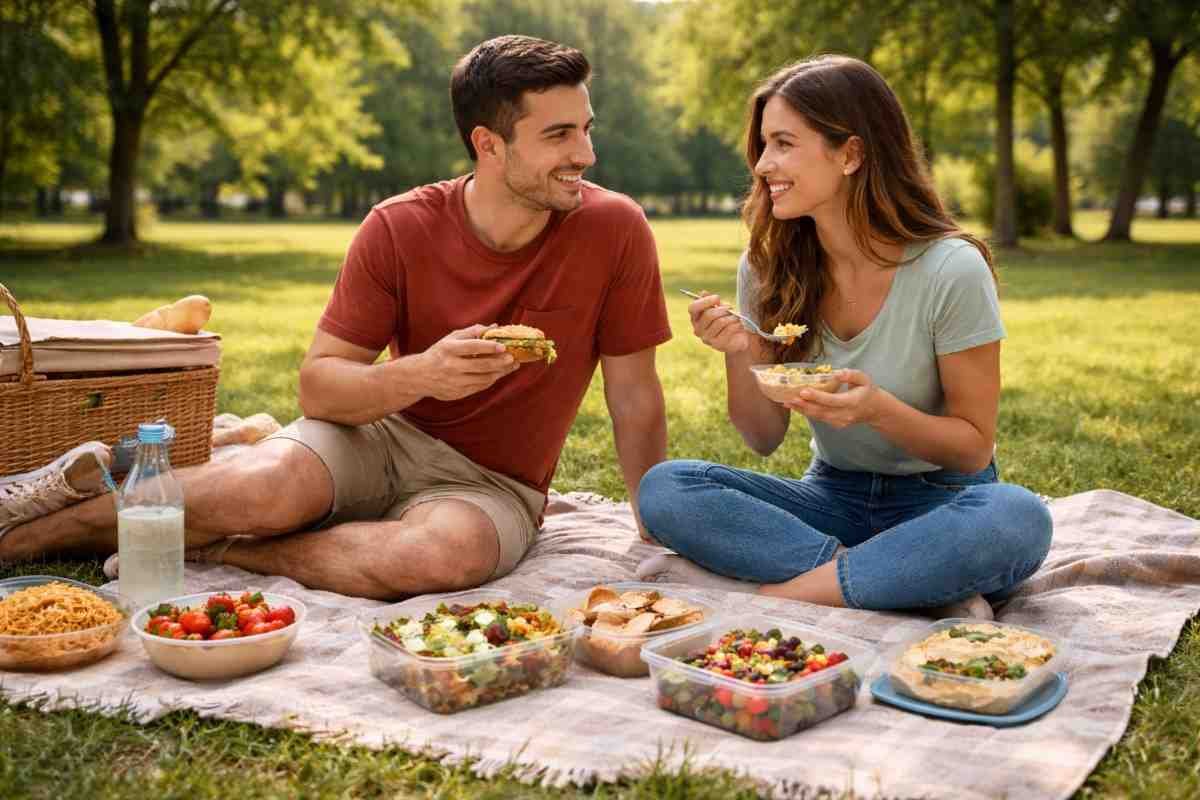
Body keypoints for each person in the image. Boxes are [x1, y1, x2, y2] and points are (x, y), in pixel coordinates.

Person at [0, 35, 671, 600]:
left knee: (441, 559)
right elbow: (320, 386)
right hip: (375, 437)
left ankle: (228, 556)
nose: (585, 155)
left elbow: (634, 393)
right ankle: (34, 536)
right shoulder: (399, 226)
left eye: (586, 129)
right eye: (558, 135)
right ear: (488, 145)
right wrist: (424, 375)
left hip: (493, 485)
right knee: (263, 486)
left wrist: (649, 522)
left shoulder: (614, 229)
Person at [635, 55, 1051, 619]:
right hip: (832, 497)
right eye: (763, 145)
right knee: (666, 489)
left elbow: (973, 446)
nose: (762, 165)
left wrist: (877, 409)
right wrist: (739, 353)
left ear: (851, 154)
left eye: (784, 143)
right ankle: (894, 576)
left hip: (945, 499)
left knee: (1017, 517)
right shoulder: (766, 268)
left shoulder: (950, 269)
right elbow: (761, 437)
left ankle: (798, 590)